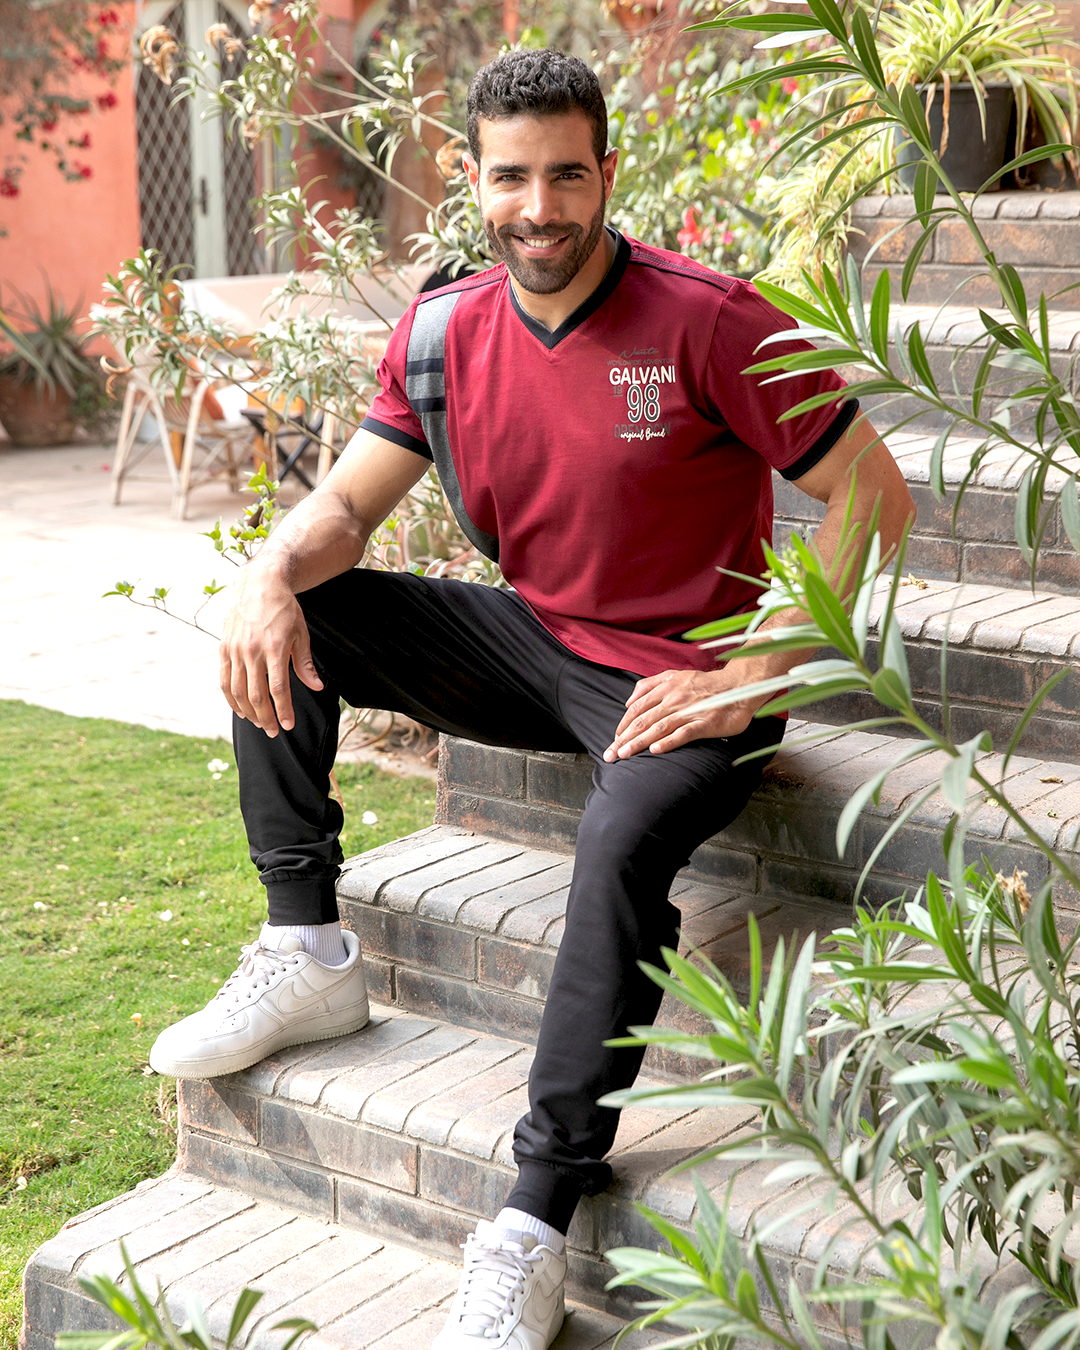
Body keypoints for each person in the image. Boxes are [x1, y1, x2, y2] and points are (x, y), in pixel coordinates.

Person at [149, 48, 914, 1350]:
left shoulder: (711, 320)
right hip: (538, 645)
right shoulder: (444, 333)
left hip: (685, 679)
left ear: (609, 172)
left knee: (617, 843)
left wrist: (751, 671)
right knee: (301, 616)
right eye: (513, 177)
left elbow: (875, 499)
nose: (540, 207)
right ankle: (307, 948)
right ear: (475, 180)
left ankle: (534, 1218)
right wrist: (267, 573)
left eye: (568, 174)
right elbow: (345, 509)